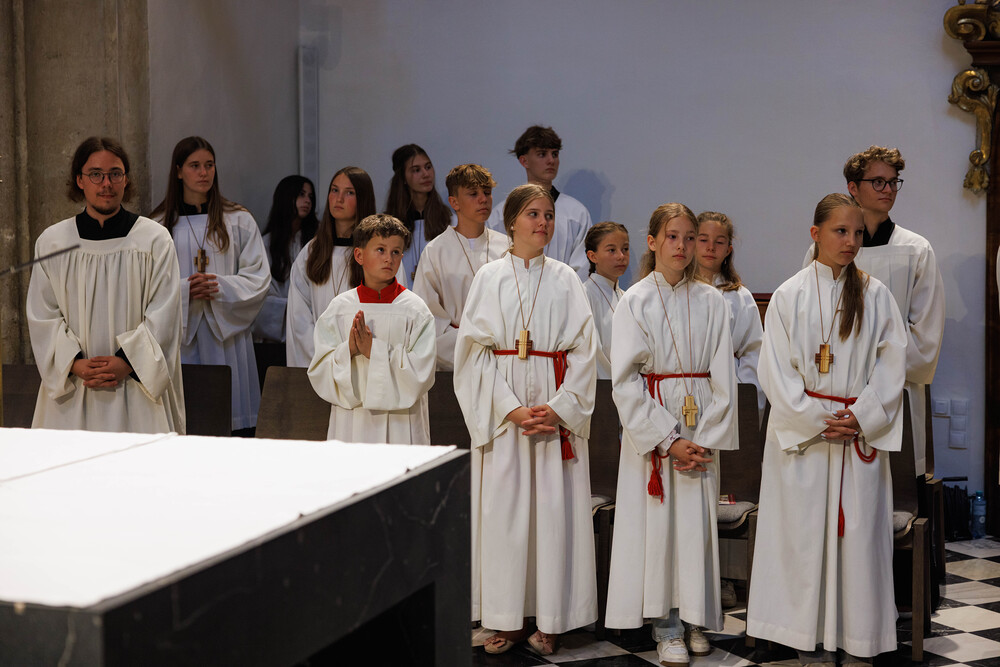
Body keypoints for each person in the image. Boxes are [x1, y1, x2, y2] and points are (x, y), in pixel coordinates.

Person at [749, 194, 906, 664]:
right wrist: (820, 421)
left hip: (855, 435)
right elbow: (775, 371)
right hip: (807, 443)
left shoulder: (876, 294)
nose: (851, 241)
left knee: (858, 544)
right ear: (815, 233)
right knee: (800, 543)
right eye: (841, 231)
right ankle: (806, 642)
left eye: (858, 233)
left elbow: (892, 365)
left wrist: (860, 417)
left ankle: (858, 642)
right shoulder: (789, 295)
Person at [455, 184, 598, 657]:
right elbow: (473, 354)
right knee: (507, 517)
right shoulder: (489, 277)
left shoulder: (566, 279)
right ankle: (508, 618)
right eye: (534, 214)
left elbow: (585, 350)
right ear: (512, 220)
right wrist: (509, 408)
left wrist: (560, 407)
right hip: (506, 418)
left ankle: (552, 618)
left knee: (554, 516)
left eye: (549, 215)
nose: (543, 222)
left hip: (554, 413)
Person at [605, 203, 737, 667]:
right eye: (673, 236)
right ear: (653, 241)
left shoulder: (712, 300)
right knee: (659, 531)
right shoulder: (635, 300)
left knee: (695, 529)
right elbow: (625, 381)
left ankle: (696, 618)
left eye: (690, 237)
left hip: (700, 428)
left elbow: (725, 376)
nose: (682, 246)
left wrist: (705, 439)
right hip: (656, 427)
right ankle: (666, 626)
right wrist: (668, 439)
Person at [802, 146, 944, 477]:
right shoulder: (822, 248)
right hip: (833, 391)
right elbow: (811, 317)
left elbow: (926, 337)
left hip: (892, 394)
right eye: (878, 182)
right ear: (853, 187)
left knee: (892, 488)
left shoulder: (916, 249)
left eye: (893, 182)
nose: (888, 189)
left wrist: (879, 381)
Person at [27, 136, 185, 433]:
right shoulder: (53, 242)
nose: (106, 184)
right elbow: (42, 315)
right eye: (96, 174)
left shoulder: (153, 240)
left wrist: (126, 361)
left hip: (136, 387)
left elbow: (165, 313)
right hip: (74, 388)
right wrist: (74, 363)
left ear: (126, 180)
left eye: (115, 174)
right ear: (80, 180)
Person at [151, 136, 269, 435]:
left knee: (230, 421)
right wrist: (184, 291)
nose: (204, 173)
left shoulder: (238, 220)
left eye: (209, 165)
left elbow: (258, 277)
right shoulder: (158, 226)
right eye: (195, 166)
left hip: (226, 335)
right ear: (178, 171)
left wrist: (220, 287)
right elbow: (146, 286)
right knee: (187, 422)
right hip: (181, 337)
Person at [307, 214, 435, 443]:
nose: (389, 259)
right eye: (381, 250)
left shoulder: (415, 310)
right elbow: (320, 369)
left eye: (396, 252)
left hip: (401, 422)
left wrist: (373, 351)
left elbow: (422, 372)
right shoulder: (339, 309)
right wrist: (348, 350)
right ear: (359, 255)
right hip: (353, 422)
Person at [694, 210, 765, 611]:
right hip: (688, 401)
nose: (710, 247)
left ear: (729, 248)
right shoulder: (679, 288)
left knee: (725, 493)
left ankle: (724, 576)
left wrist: (741, 396)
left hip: (730, 403)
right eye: (703, 239)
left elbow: (754, 351)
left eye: (718, 241)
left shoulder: (738, 296)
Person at [411, 164, 509, 371]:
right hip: (455, 358)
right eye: (473, 194)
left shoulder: (507, 247)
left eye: (487, 192)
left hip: (503, 355)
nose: (483, 199)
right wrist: (472, 349)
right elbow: (428, 317)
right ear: (454, 202)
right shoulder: (436, 251)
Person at [286, 167, 378, 367]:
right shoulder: (311, 252)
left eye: (349, 192)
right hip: (320, 362)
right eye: (335, 190)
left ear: (363, 199)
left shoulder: (379, 253)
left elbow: (389, 314)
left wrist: (358, 351)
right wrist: (325, 358)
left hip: (364, 362)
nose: (339, 199)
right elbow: (299, 317)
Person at [486, 126, 592, 281]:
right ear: (524, 161)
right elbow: (494, 262)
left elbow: (581, 269)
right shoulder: (501, 214)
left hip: (561, 292)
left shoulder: (576, 213)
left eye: (555, 154)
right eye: (542, 154)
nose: (551, 160)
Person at [252, 175, 319, 346]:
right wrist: (291, 308)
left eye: (310, 196)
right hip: (277, 333)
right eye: (301, 194)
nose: (307, 201)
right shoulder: (266, 244)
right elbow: (260, 293)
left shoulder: (317, 243)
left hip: (312, 326)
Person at [384, 144, 452, 283]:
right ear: (403, 177)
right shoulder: (388, 226)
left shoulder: (449, 221)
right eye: (416, 170)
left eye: (428, 167)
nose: (426, 174)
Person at [583, 221, 629, 379]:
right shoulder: (585, 294)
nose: (621, 256)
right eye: (612, 250)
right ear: (593, 256)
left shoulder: (627, 296)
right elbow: (591, 350)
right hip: (601, 383)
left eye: (625, 249)